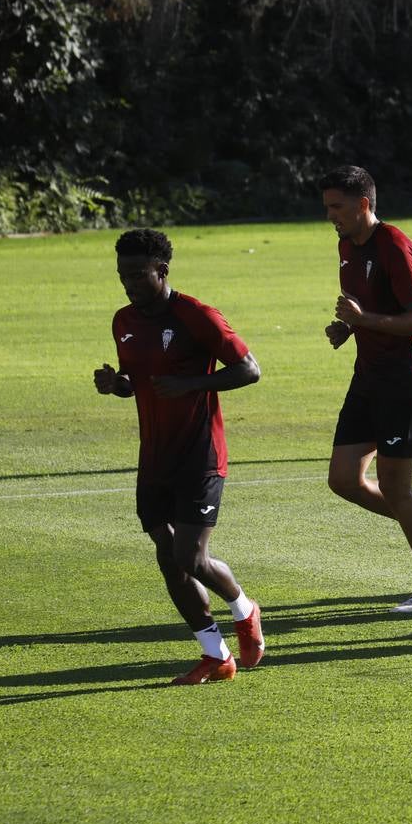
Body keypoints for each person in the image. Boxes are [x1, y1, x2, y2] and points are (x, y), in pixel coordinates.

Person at [94, 229, 264, 685]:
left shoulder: (195, 315)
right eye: (122, 275)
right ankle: (215, 654)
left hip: (199, 455)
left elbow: (249, 369)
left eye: (136, 274)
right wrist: (117, 386)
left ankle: (245, 611)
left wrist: (192, 384)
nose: (128, 283)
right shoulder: (123, 320)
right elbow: (138, 381)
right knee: (168, 558)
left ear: (161, 271)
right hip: (154, 459)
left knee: (190, 556)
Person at [320, 165, 412, 613]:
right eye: (327, 208)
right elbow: (366, 310)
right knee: (343, 479)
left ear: (364, 204)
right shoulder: (346, 245)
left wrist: (364, 321)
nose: (330, 216)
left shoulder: (396, 246)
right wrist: (348, 327)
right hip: (369, 378)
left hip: (406, 382)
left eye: (337, 207)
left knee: (396, 485)